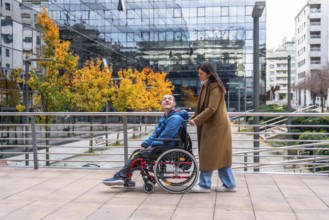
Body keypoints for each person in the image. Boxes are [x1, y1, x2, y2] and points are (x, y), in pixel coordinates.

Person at [102, 94, 188, 186]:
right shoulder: (165, 117)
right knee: (137, 152)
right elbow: (156, 133)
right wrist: (145, 144)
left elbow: (166, 137)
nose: (167, 100)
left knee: (138, 154)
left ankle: (121, 176)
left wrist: (151, 145)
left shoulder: (175, 118)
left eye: (170, 99)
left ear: (174, 103)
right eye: (164, 99)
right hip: (163, 145)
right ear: (161, 104)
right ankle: (125, 177)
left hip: (167, 147)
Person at [189, 61, 236, 193]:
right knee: (220, 155)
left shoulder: (214, 86)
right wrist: (194, 118)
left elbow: (211, 108)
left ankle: (205, 185)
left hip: (216, 127)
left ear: (209, 74)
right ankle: (229, 184)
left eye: (201, 73)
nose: (199, 75)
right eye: (198, 73)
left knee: (208, 153)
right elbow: (202, 108)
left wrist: (196, 120)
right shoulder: (207, 85)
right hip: (214, 126)